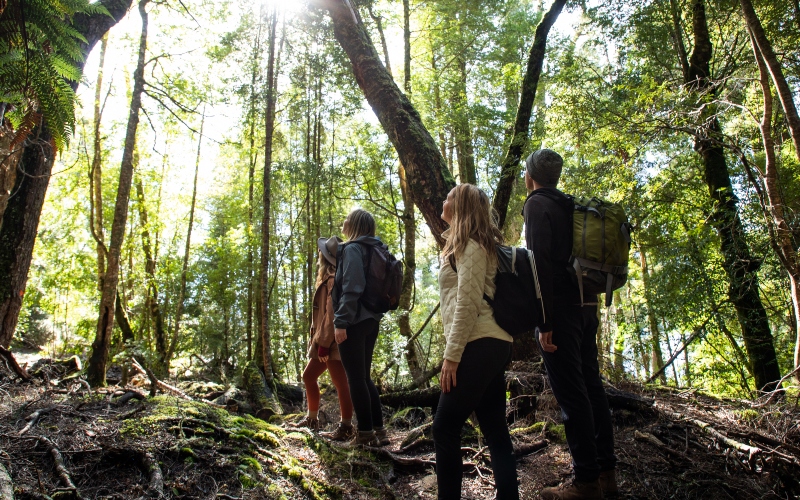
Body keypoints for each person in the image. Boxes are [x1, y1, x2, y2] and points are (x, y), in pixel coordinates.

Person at [522, 149, 617, 500]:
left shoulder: (536, 205)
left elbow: (539, 268)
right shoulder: (570, 204)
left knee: (572, 395)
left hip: (559, 313)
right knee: (592, 387)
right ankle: (606, 473)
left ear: (530, 175)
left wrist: (543, 321)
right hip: (587, 307)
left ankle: (585, 483)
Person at [432, 184, 519, 500]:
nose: (445, 199)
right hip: (490, 344)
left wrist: (452, 355)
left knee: (444, 427)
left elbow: (468, 305)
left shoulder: (471, 247)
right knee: (495, 427)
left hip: (478, 343)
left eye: (450, 197)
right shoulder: (469, 245)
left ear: (461, 206)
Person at [333, 208, 389, 447]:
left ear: (354, 225)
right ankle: (379, 431)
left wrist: (341, 321)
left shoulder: (353, 248)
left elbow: (352, 288)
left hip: (354, 321)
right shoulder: (374, 248)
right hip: (371, 319)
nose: (343, 222)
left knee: (355, 378)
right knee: (364, 378)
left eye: (346, 219)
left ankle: (365, 435)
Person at [293, 236, 356, 442]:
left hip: (331, 342)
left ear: (326, 258)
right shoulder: (329, 278)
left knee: (341, 384)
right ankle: (312, 420)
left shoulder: (332, 280)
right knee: (309, 377)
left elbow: (331, 316)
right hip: (324, 340)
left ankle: (346, 426)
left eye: (322, 253)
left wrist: (324, 344)